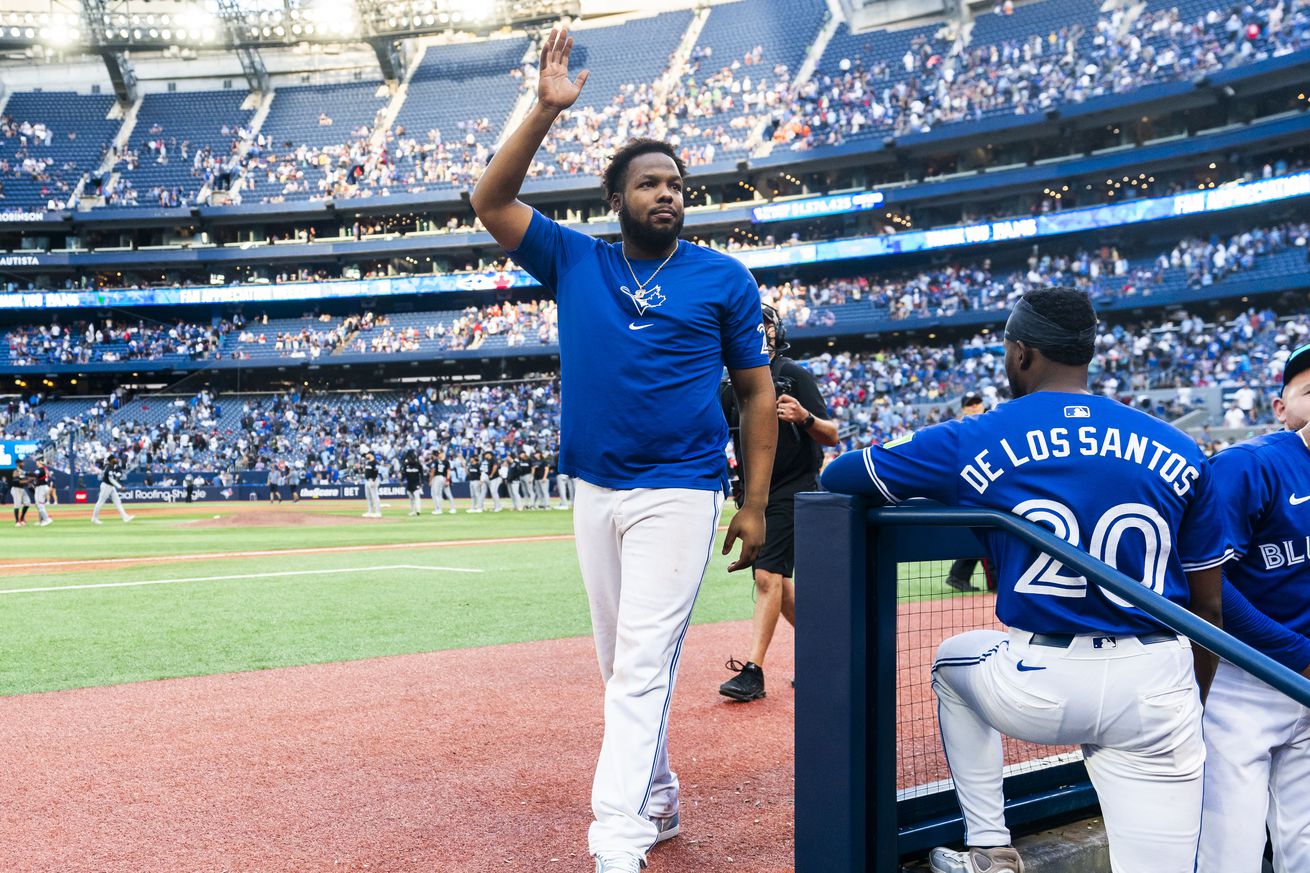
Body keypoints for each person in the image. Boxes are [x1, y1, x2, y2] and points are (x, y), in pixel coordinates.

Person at [470, 27, 776, 873]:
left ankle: (617, 840)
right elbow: (490, 202)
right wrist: (543, 109)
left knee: (642, 667)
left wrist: (751, 503)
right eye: (649, 183)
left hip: (680, 491)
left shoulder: (723, 278)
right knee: (621, 668)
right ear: (616, 197)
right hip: (594, 490)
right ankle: (661, 794)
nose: (668, 194)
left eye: (676, 183)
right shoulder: (576, 260)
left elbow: (755, 393)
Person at [821, 288, 1231, 873]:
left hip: (1041, 685)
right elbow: (1209, 613)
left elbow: (841, 474)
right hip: (1156, 681)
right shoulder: (1180, 444)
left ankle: (990, 846)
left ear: (1021, 355)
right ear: (1086, 356)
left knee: (950, 663)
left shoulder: (975, 436)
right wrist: (1187, 699)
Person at [1200, 341, 1310, 872]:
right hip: (1242, 681)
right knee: (1230, 853)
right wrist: (1296, 654)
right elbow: (1206, 582)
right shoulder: (1251, 465)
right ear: (1281, 408)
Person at [719, 302, 838, 702]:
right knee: (781, 584)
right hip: (755, 493)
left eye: (765, 326)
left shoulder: (794, 375)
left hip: (795, 487)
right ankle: (826, 653)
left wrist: (804, 418)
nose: (760, 333)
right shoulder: (730, 386)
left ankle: (753, 672)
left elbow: (832, 435)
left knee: (766, 577)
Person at [946, 393, 991, 593]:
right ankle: (992, 580)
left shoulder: (991, 422)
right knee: (982, 531)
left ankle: (958, 575)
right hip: (971, 489)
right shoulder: (959, 429)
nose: (974, 407)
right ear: (964, 408)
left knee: (981, 533)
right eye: (969, 404)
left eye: (977, 403)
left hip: (986, 487)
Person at [91, 456, 134, 524]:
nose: (116, 459)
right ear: (111, 460)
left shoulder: (112, 467)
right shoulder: (109, 467)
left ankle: (125, 517)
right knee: (100, 502)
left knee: (118, 502)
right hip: (106, 486)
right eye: (114, 459)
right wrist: (119, 486)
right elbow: (111, 479)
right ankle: (94, 518)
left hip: (110, 487)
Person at [429, 450, 455, 514]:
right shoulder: (442, 461)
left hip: (440, 478)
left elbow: (447, 471)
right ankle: (440, 509)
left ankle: (440, 509)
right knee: (439, 494)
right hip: (442, 478)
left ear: (443, 454)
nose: (439, 454)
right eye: (438, 453)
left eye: (440, 453)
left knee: (441, 494)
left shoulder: (441, 461)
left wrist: (447, 480)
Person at [403, 449, 424, 516]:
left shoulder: (418, 465)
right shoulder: (406, 465)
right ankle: (414, 511)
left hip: (415, 483)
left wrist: (421, 483)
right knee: (412, 498)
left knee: (415, 497)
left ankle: (417, 511)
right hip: (410, 483)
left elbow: (422, 474)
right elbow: (404, 474)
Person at [32, 460, 52, 526]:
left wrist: (24, 473)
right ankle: (41, 520)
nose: (36, 462)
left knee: (39, 504)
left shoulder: (41, 469)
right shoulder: (45, 469)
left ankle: (47, 519)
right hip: (43, 487)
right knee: (39, 504)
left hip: (41, 488)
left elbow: (34, 474)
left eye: (37, 461)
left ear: (40, 462)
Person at [361, 451, 381, 518]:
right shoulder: (368, 462)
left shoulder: (375, 462)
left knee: (375, 496)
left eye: (367, 454)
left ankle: (378, 512)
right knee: (368, 497)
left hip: (373, 480)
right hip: (367, 480)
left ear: (371, 454)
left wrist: (373, 479)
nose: (366, 455)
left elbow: (376, 472)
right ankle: (370, 511)